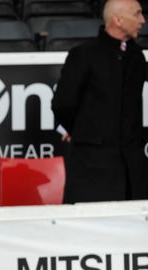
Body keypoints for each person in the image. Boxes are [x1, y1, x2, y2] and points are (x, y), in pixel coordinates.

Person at [52, 0, 147, 203]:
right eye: (137, 14)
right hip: (92, 170)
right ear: (118, 20)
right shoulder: (84, 54)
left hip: (133, 172)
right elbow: (63, 103)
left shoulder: (137, 57)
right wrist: (80, 130)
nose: (142, 21)